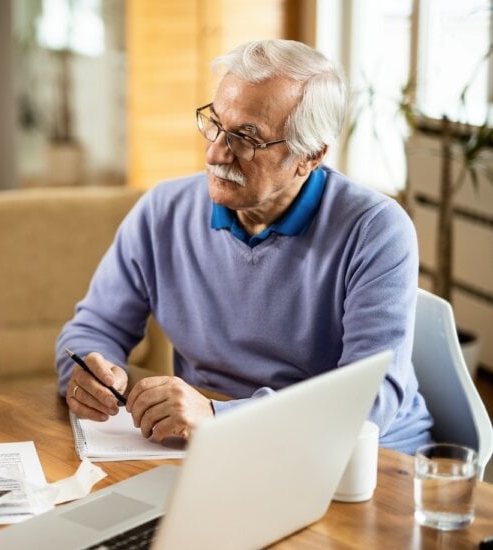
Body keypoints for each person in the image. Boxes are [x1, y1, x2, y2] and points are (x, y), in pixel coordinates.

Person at [56, 39, 433, 454]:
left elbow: (368, 403)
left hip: (355, 458)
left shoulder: (376, 229)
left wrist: (220, 417)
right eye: (215, 123)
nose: (217, 151)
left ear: (310, 156)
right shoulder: (163, 211)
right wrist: (92, 373)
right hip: (213, 449)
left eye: (247, 138)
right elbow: (94, 327)